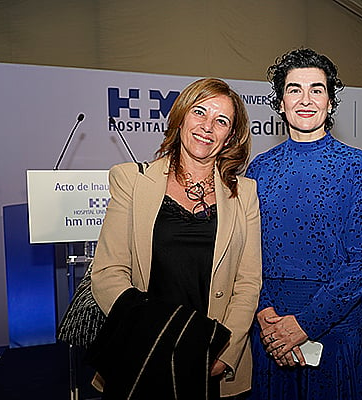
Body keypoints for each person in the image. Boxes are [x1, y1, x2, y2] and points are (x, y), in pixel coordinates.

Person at [90, 78, 262, 399]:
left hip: (210, 358)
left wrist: (224, 350)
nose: (207, 127)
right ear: (181, 117)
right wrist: (156, 338)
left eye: (221, 121)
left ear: (230, 137)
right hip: (143, 351)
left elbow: (248, 283)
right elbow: (107, 274)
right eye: (199, 112)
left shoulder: (245, 194)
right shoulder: (131, 180)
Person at [246, 48, 362, 400]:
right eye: (294, 90)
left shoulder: (355, 165)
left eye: (316, 90)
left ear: (330, 102)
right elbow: (245, 252)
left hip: (335, 332)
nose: (305, 100)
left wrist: (305, 324)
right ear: (280, 102)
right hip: (271, 330)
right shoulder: (259, 169)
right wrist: (264, 313)